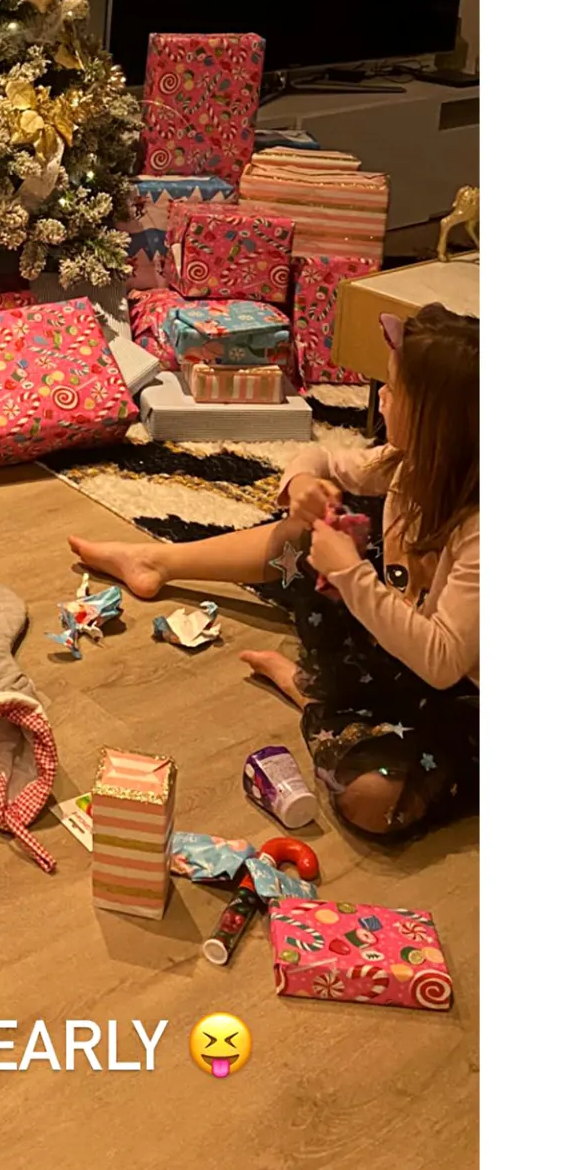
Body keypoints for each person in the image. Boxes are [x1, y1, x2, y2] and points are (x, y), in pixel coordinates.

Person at [70, 303, 479, 838]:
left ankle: (310, 694)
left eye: (394, 390)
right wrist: (304, 486)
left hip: (462, 695)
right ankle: (156, 561)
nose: (381, 397)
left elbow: (444, 662)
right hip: (409, 641)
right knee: (302, 534)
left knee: (371, 798)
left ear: (436, 422)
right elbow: (322, 460)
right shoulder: (408, 464)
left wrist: (351, 573)